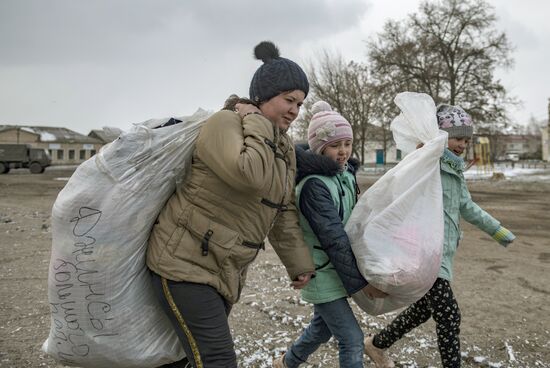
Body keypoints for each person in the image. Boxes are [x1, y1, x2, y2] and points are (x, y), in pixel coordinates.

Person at [146, 41, 316, 368]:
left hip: (224, 269)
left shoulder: (283, 148)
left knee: (184, 358)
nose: (295, 110)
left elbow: (282, 210)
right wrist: (255, 120)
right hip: (183, 263)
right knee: (217, 359)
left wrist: (298, 264)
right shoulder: (224, 124)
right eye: (289, 99)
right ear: (263, 97)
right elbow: (247, 174)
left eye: (300, 103)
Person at [364, 104, 516, 368]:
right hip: (424, 251)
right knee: (449, 315)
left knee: (424, 309)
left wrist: (498, 230)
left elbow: (465, 206)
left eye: (466, 140)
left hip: (442, 253)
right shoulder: (427, 164)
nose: (462, 145)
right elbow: (401, 197)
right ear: (442, 136)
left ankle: (377, 345)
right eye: (457, 138)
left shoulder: (456, 171)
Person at [274, 101, 387, 368]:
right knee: (352, 338)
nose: (343, 152)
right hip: (322, 271)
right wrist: (361, 283)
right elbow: (334, 239)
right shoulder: (314, 186)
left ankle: (286, 363)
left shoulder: (344, 175)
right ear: (319, 147)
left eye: (347, 143)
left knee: (321, 329)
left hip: (337, 269)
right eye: (336, 145)